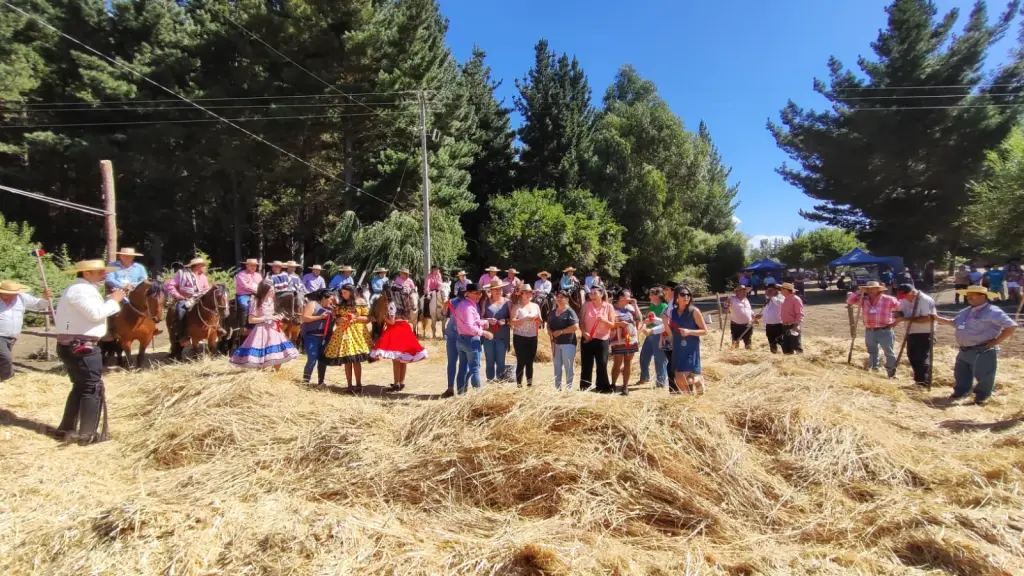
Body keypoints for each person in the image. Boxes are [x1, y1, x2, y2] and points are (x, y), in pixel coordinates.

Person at [53, 260, 123, 445]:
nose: (104, 274)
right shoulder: (81, 290)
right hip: (82, 347)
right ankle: (87, 435)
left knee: (81, 387)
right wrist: (114, 301)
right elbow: (95, 313)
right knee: (92, 388)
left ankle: (66, 428)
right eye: (99, 271)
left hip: (76, 344)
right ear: (86, 273)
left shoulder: (79, 289)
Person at [934, 285, 1017, 405]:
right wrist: (937, 318)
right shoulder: (965, 311)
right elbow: (954, 323)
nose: (969, 298)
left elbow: (1011, 326)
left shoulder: (993, 311)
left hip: (982, 349)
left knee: (984, 375)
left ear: (982, 296)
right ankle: (960, 393)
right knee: (961, 373)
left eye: (972, 295)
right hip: (964, 350)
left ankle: (982, 398)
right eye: (967, 296)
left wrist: (996, 341)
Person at [229, 280, 299, 370]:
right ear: (264, 291)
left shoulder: (271, 300)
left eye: (273, 290)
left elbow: (271, 315)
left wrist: (277, 317)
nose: (273, 292)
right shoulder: (256, 302)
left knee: (280, 354)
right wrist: (268, 318)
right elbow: (251, 320)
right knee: (261, 357)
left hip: (273, 329)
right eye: (271, 291)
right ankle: (262, 373)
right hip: (261, 330)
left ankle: (274, 374)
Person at [369, 283, 426, 391]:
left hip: (395, 329)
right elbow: (407, 318)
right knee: (403, 358)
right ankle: (402, 382)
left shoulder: (391, 304)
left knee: (396, 360)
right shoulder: (405, 303)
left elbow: (392, 321)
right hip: (405, 328)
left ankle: (396, 384)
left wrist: (384, 317)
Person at [0, 280, 52, 381]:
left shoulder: (21, 298)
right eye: (10, 293)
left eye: (14, 293)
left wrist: (46, 298)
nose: (13, 295)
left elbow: (38, 305)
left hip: (12, 336)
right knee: (5, 357)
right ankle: (9, 379)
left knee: (3, 358)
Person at [323, 284, 372, 392]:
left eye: (345, 292)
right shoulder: (340, 305)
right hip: (344, 333)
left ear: (351, 292)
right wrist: (339, 320)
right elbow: (336, 318)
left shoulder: (361, 302)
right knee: (347, 360)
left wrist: (356, 318)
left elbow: (368, 318)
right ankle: (349, 385)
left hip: (357, 333)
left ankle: (359, 384)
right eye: (342, 293)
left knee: (356, 360)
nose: (342, 294)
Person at [847, 280, 899, 377]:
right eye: (868, 289)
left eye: (873, 288)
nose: (870, 290)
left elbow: (900, 309)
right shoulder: (863, 299)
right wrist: (859, 291)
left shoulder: (888, 299)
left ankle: (891, 373)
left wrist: (895, 322)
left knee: (889, 352)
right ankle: (874, 369)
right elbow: (850, 301)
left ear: (878, 289)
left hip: (885, 330)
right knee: (872, 351)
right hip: (870, 330)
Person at [664, 285, 708, 394]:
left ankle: (698, 380)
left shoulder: (694, 311)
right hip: (678, 347)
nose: (686, 297)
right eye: (683, 294)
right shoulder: (673, 312)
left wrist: (689, 332)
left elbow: (705, 331)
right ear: (677, 297)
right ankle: (689, 401)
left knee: (683, 378)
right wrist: (665, 323)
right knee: (678, 380)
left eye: (688, 295)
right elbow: (671, 334)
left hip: (690, 348)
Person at [454, 283, 494, 394]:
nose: (479, 295)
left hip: (461, 339)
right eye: (476, 293)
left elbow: (468, 323)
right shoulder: (469, 307)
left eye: (480, 293)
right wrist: (484, 333)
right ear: (468, 293)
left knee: (462, 367)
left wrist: (483, 322)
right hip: (471, 340)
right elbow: (469, 326)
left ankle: (461, 393)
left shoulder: (464, 305)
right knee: (474, 369)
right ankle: (477, 395)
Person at [894, 283, 937, 386]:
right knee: (912, 356)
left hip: (925, 332)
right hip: (911, 332)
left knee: (921, 358)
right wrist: (898, 315)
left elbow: (927, 318)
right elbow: (902, 312)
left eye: (905, 295)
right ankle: (918, 380)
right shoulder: (904, 300)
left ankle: (924, 382)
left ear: (913, 292)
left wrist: (906, 318)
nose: (903, 298)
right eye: (902, 296)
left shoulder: (924, 300)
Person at [164, 257, 212, 346]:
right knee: (180, 310)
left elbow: (206, 289)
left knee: (214, 308)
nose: (205, 267)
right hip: (185, 299)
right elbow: (170, 285)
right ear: (197, 266)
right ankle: (183, 335)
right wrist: (178, 296)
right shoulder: (182, 274)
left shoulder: (204, 277)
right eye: (203, 266)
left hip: (200, 299)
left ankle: (217, 329)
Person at [580, 286, 616, 393]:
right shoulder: (586, 305)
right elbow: (581, 321)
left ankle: (602, 387)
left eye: (595, 293)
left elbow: (612, 325)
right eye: (591, 294)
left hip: (602, 339)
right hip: (587, 338)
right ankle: (585, 387)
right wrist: (584, 332)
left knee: (602, 363)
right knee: (586, 363)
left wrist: (604, 321)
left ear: (601, 294)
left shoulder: (608, 307)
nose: (592, 296)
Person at [299, 288, 336, 387]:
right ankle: (305, 382)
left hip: (325, 338)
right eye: (331, 299)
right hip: (311, 336)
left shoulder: (331, 309)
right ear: (324, 298)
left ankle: (321, 382)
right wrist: (320, 317)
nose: (332, 302)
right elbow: (305, 318)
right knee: (312, 358)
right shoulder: (312, 304)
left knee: (323, 360)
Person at [609, 289, 641, 395]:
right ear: (621, 298)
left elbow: (639, 318)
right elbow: (609, 323)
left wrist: (635, 305)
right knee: (617, 363)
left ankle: (625, 386)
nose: (630, 298)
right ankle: (613, 384)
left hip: (630, 338)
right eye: (628, 296)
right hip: (617, 339)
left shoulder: (630, 308)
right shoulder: (612, 308)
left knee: (628, 362)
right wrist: (619, 324)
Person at [509, 285, 541, 387]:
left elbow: (541, 321)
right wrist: (524, 319)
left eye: (530, 292)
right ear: (521, 294)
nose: (529, 294)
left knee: (530, 362)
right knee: (521, 361)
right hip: (520, 337)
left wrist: (537, 319)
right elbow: (512, 322)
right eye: (526, 292)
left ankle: (529, 385)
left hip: (532, 337)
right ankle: (519, 385)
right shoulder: (517, 307)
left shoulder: (536, 306)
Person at [547, 290, 579, 391]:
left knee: (568, 366)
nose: (559, 299)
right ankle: (557, 388)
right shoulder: (553, 312)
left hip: (568, 343)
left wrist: (561, 332)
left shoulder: (570, 312)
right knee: (557, 366)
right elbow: (548, 324)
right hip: (555, 343)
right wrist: (549, 331)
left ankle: (568, 388)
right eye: (558, 297)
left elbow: (575, 327)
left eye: (562, 297)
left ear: (567, 299)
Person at [638, 287, 669, 388]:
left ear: (657, 296)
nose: (649, 296)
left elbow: (665, 321)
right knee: (644, 356)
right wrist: (646, 321)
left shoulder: (664, 306)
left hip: (660, 335)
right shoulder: (652, 305)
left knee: (659, 359)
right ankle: (644, 377)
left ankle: (660, 383)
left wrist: (653, 321)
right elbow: (649, 317)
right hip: (650, 334)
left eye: (651, 294)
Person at [481, 279, 510, 382]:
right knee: (489, 361)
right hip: (489, 336)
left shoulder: (507, 302)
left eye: (500, 289)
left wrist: (505, 321)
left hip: (502, 336)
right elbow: (479, 319)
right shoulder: (485, 302)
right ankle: (490, 381)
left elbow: (513, 319)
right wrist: (487, 320)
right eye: (496, 289)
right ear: (491, 291)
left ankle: (500, 382)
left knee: (501, 361)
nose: (498, 291)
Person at [440, 289, 464, 398]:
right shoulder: (453, 301)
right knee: (452, 362)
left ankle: (461, 388)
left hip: (462, 336)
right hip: (453, 336)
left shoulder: (472, 302)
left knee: (462, 364)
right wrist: (444, 307)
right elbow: (443, 314)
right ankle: (450, 388)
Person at [757, 283, 786, 354]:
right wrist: (761, 315)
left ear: (776, 290)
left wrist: (772, 297)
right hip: (769, 324)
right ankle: (774, 356)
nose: (769, 291)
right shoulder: (768, 298)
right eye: (767, 290)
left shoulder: (781, 297)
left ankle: (786, 356)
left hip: (778, 324)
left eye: (771, 290)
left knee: (782, 341)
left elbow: (781, 304)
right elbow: (767, 309)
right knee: (771, 341)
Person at [724, 284, 754, 349]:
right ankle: (735, 357)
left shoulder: (746, 300)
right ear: (738, 292)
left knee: (748, 342)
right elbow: (726, 305)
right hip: (736, 326)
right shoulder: (732, 299)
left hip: (748, 325)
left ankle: (748, 357)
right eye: (743, 291)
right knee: (735, 343)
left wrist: (754, 316)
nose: (745, 292)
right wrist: (727, 302)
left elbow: (749, 310)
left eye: (745, 291)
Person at [234, 258, 263, 325]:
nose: (253, 267)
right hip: (244, 295)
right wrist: (256, 290)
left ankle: (263, 323)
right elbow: (245, 286)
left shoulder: (258, 275)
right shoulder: (241, 274)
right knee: (245, 305)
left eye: (255, 265)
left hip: (257, 295)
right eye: (251, 265)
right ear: (247, 265)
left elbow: (262, 285)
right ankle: (243, 325)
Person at [779, 282, 804, 354]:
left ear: (786, 290)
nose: (780, 290)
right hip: (785, 325)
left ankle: (800, 362)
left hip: (793, 325)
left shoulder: (796, 299)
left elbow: (799, 314)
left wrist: (796, 326)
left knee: (796, 346)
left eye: (782, 289)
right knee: (786, 346)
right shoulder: (784, 299)